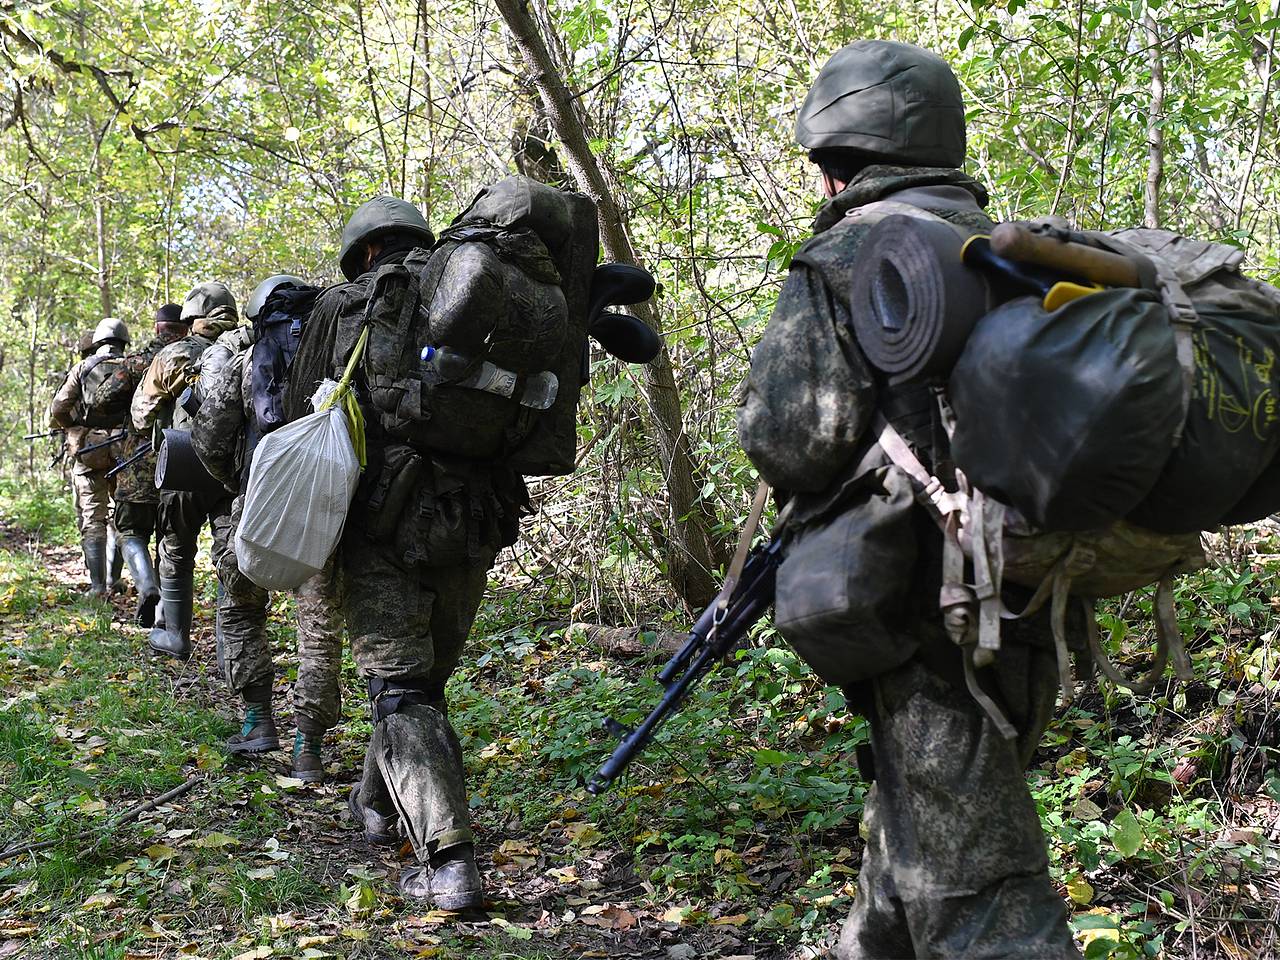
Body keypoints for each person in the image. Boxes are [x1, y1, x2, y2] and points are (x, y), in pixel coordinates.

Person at [737, 40, 1082, 959]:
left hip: (928, 613)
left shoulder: (848, 254)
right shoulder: (1016, 250)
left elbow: (787, 441)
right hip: (1032, 592)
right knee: (919, 839)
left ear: (836, 162)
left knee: (984, 898)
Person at [289, 196, 528, 910]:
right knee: (420, 682)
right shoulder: (491, 296)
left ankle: (449, 861)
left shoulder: (343, 304)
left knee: (401, 688)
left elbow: (305, 408)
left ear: (364, 251)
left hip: (382, 520)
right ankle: (377, 803)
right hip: (476, 516)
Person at [190, 274, 345, 782]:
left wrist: (241, 482)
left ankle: (257, 722)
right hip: (324, 505)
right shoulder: (339, 346)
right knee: (318, 626)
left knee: (239, 606)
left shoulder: (237, 353)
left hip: (257, 499)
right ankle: (309, 747)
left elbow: (210, 438)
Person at [131, 282, 239, 659]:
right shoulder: (251, 348)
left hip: (185, 463)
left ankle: (176, 635)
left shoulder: (175, 352)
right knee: (232, 555)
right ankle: (234, 646)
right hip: (237, 472)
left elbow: (141, 415)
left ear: (191, 317)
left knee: (176, 548)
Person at [112, 303, 189, 625]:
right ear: (184, 328)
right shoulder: (201, 357)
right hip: (184, 462)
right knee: (170, 539)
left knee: (131, 530)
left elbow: (105, 397)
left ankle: (146, 587)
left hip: (139, 464)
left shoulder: (135, 363)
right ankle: (164, 617)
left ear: (157, 327)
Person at [49, 317, 132, 597]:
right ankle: (115, 580)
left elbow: (59, 407)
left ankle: (97, 587)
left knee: (92, 517)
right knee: (120, 516)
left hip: (89, 450)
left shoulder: (83, 367)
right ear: (123, 342)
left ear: (97, 341)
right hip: (126, 451)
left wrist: (75, 428)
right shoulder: (134, 366)